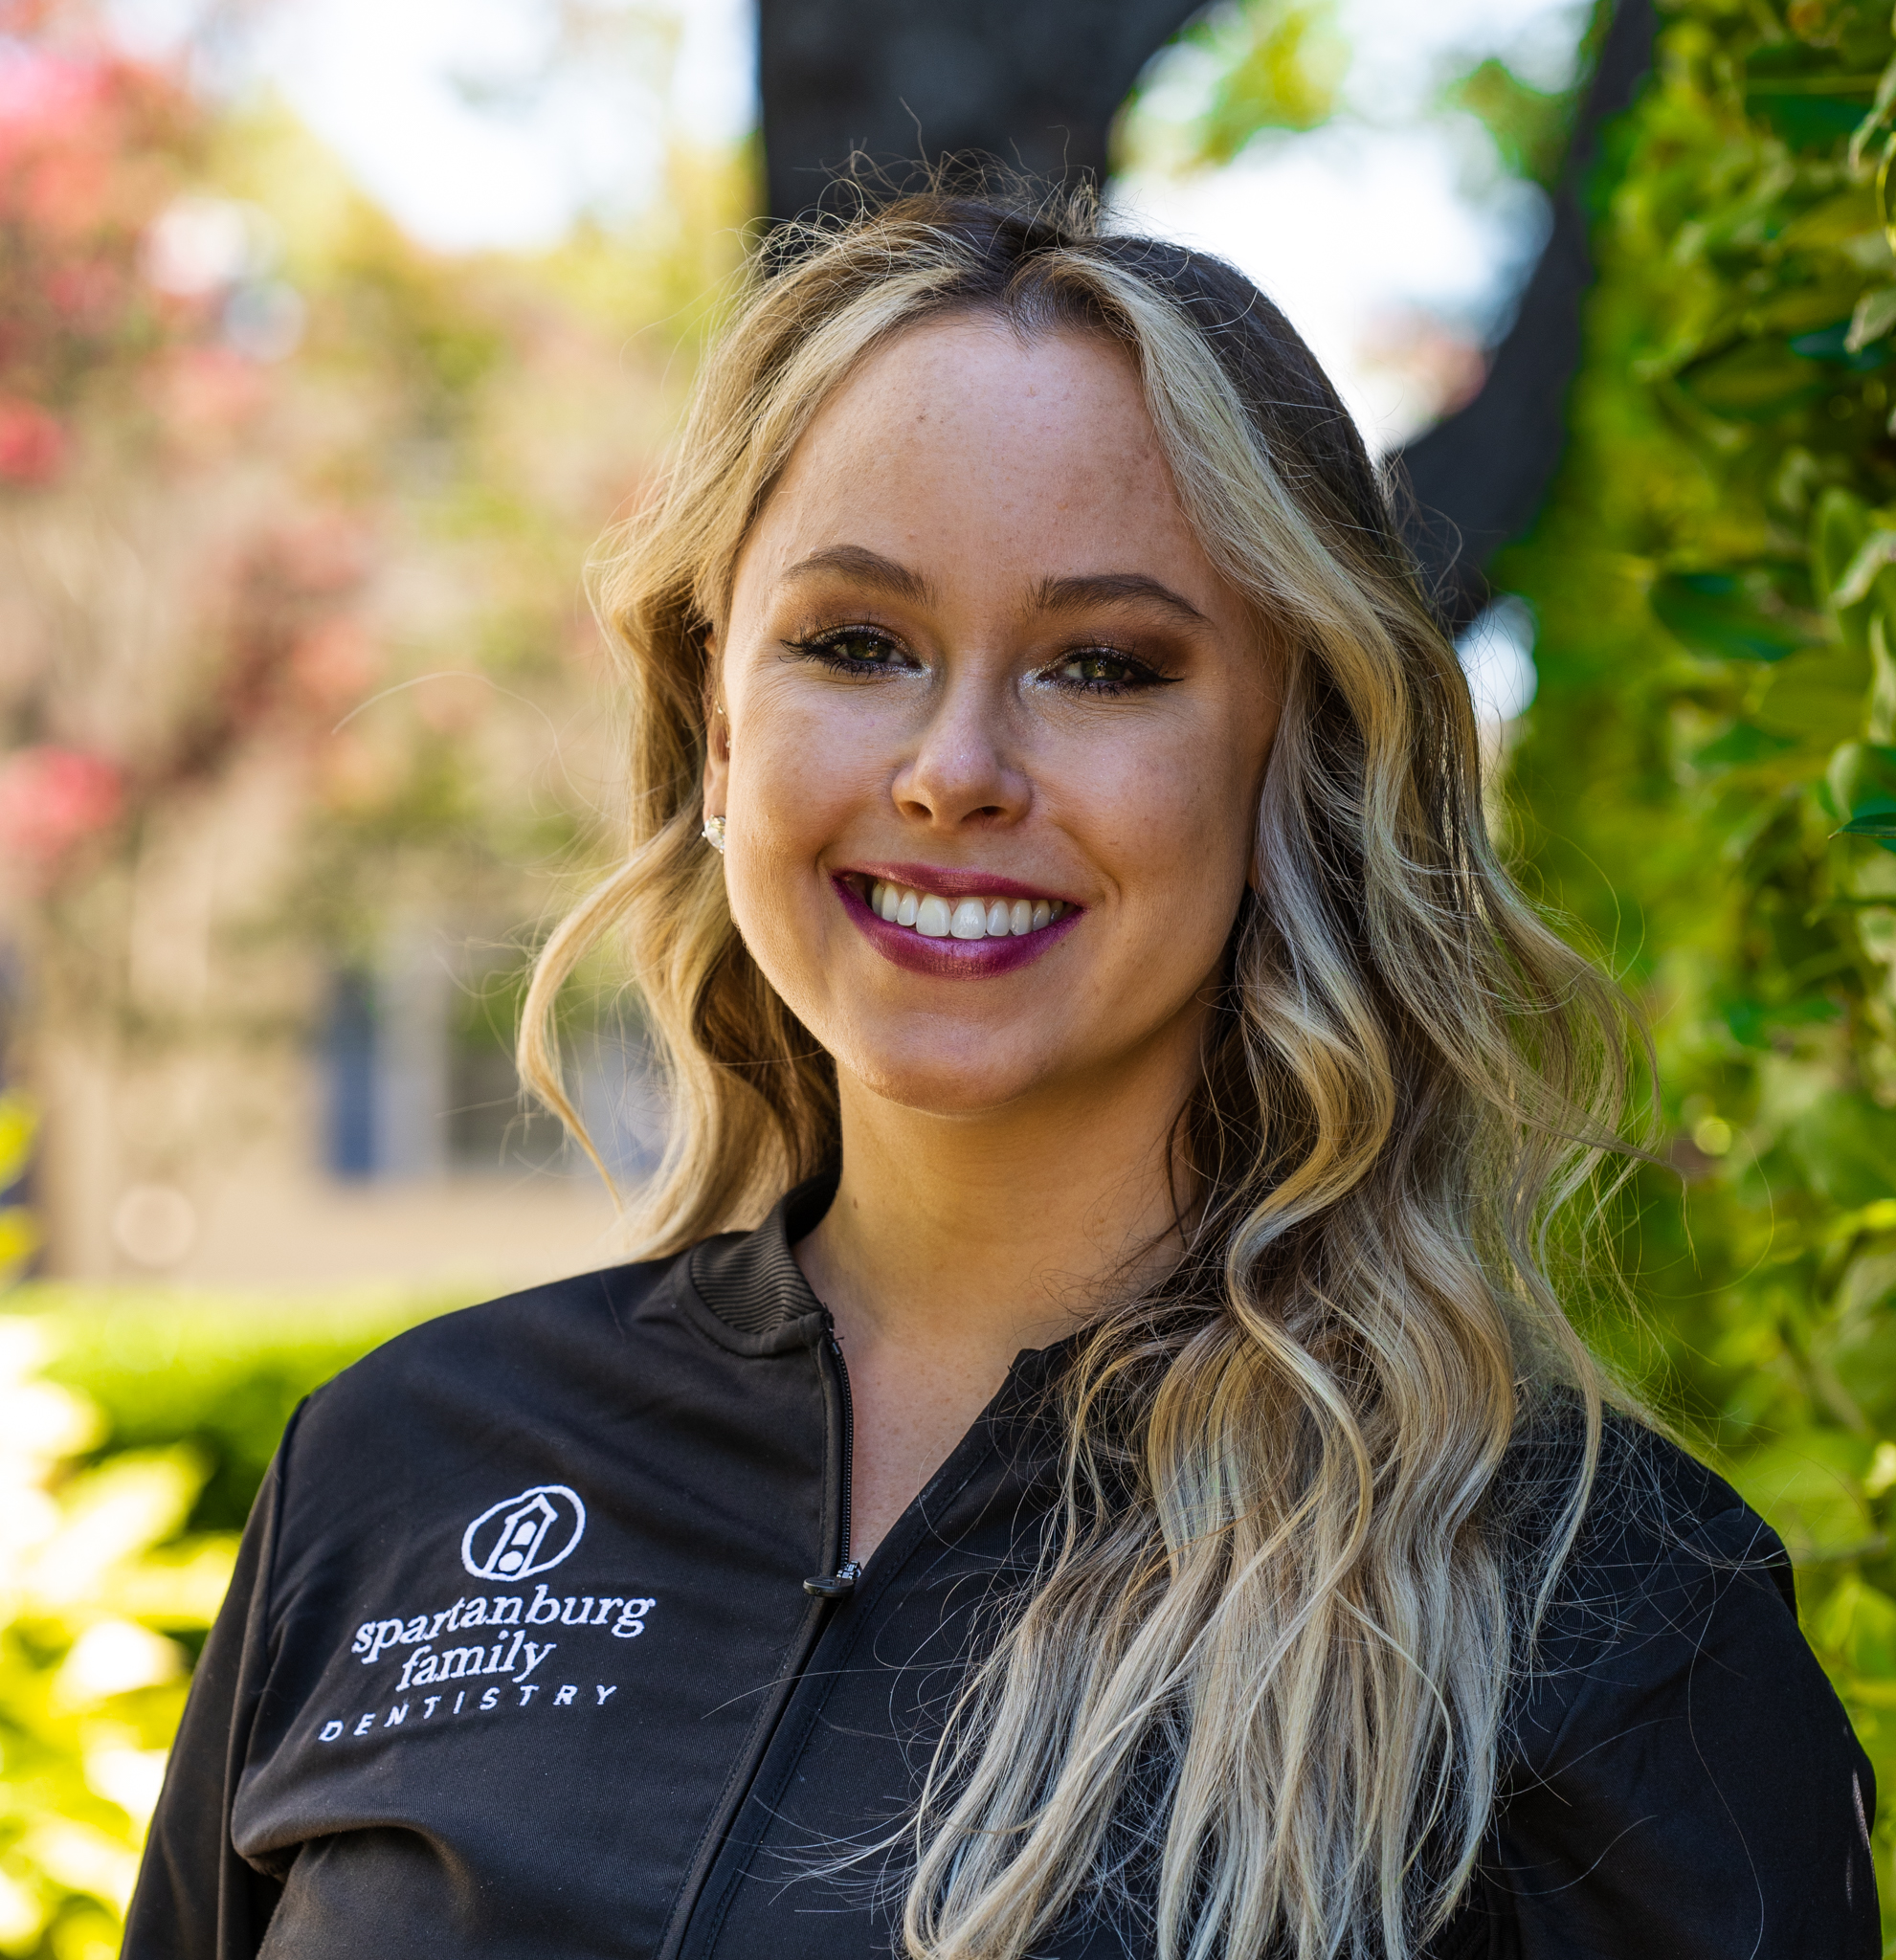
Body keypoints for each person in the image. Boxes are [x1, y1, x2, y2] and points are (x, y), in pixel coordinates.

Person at [123, 189, 1877, 1960]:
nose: (953, 770)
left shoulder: (1592, 1610)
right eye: (856, 645)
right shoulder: (402, 1469)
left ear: (1299, 766)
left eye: (1104, 665)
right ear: (721, 730)